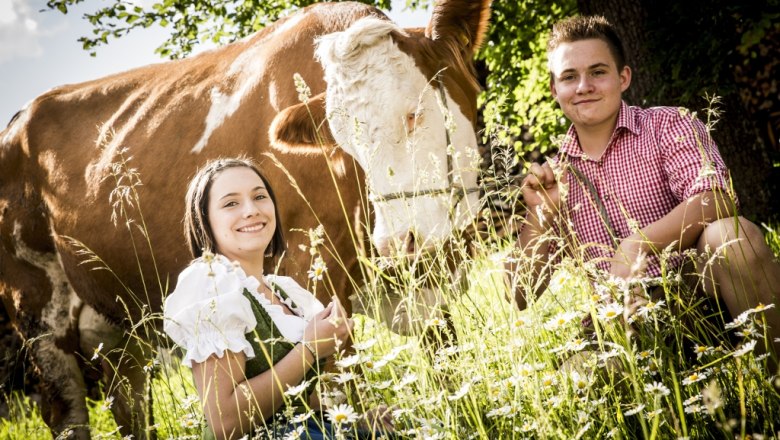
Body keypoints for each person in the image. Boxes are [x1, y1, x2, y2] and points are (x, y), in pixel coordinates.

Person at [512, 15, 780, 362]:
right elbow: (520, 294)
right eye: (569, 77)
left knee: (733, 237)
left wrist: (635, 246)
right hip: (621, 318)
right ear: (554, 89)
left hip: (702, 293)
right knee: (576, 375)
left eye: (597, 72)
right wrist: (539, 213)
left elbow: (716, 199)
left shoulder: (668, 124)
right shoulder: (555, 177)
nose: (583, 86)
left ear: (623, 78)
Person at [164, 158, 393, 440]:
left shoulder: (283, 291)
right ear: (205, 220)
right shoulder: (211, 284)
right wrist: (309, 348)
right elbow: (225, 423)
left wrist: (352, 424)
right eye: (231, 203)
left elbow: (293, 403)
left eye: (260, 197)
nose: (251, 210)